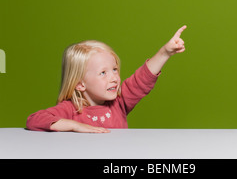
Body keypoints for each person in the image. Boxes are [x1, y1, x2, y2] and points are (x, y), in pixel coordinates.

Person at [26, 25, 187, 133]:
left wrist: (165, 53)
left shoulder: (120, 102)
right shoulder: (70, 109)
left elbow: (142, 79)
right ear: (80, 84)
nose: (114, 78)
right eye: (103, 73)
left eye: (115, 70)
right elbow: (34, 120)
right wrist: (73, 125)